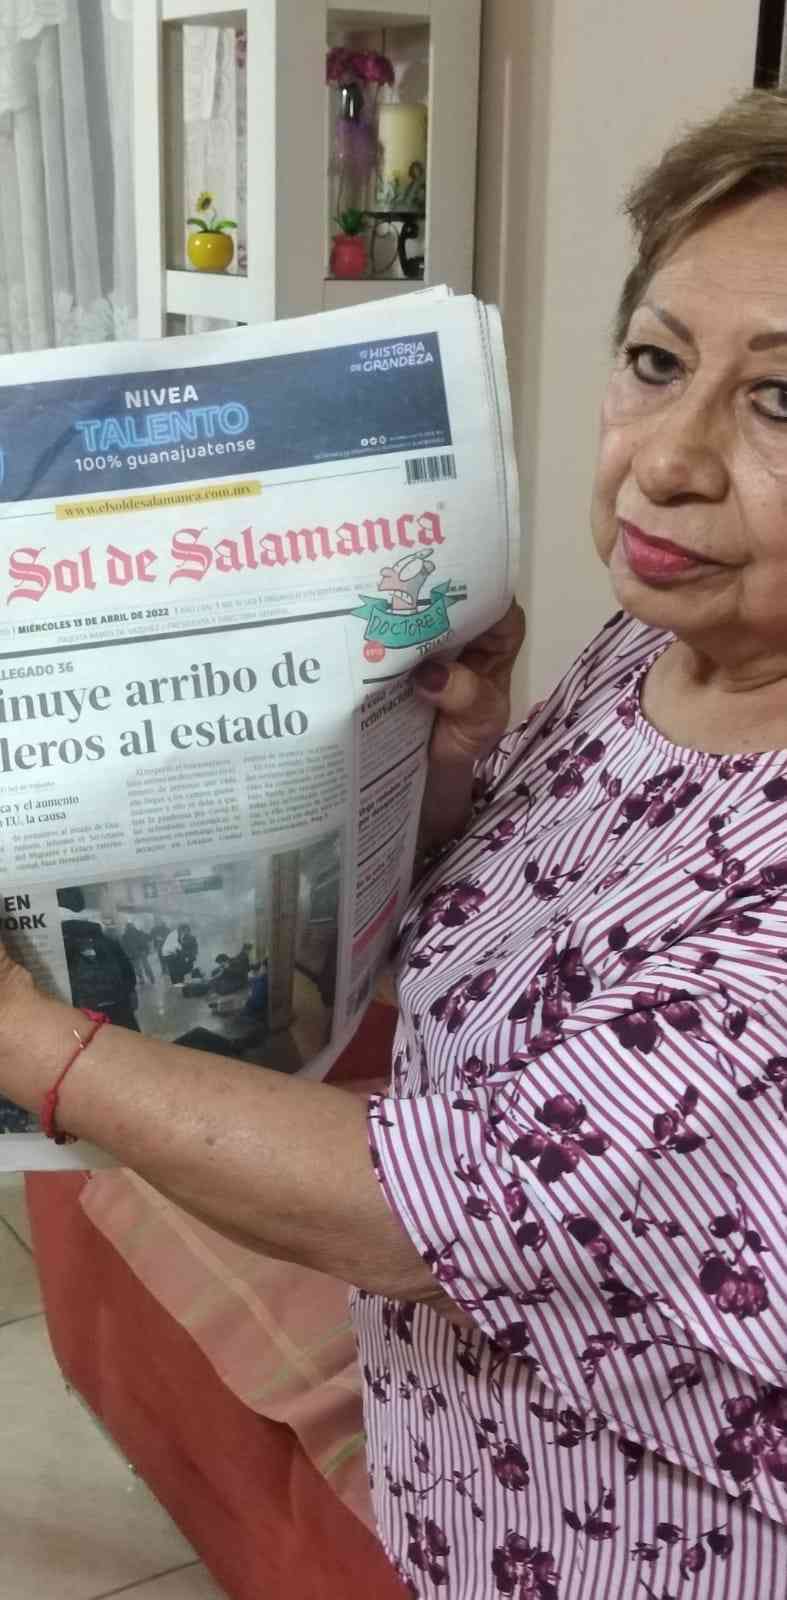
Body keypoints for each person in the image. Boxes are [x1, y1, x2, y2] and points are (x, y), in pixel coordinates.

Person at [1, 89, 786, 1599]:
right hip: (472, 1495)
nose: (665, 462)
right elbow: (527, 934)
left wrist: (31, 1040)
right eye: (656, 362)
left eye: (783, 401)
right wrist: (448, 768)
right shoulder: (661, 647)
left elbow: (439, 1211)